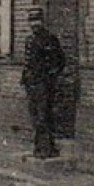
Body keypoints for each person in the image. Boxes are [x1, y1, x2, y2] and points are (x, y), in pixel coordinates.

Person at [20, 14, 66, 158]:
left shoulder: (50, 39)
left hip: (43, 84)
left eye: (37, 21)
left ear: (42, 22)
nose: (34, 24)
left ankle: (47, 148)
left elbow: (60, 61)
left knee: (44, 115)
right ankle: (39, 147)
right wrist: (25, 78)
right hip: (31, 83)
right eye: (32, 21)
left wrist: (49, 77)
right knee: (35, 116)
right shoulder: (29, 40)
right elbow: (28, 63)